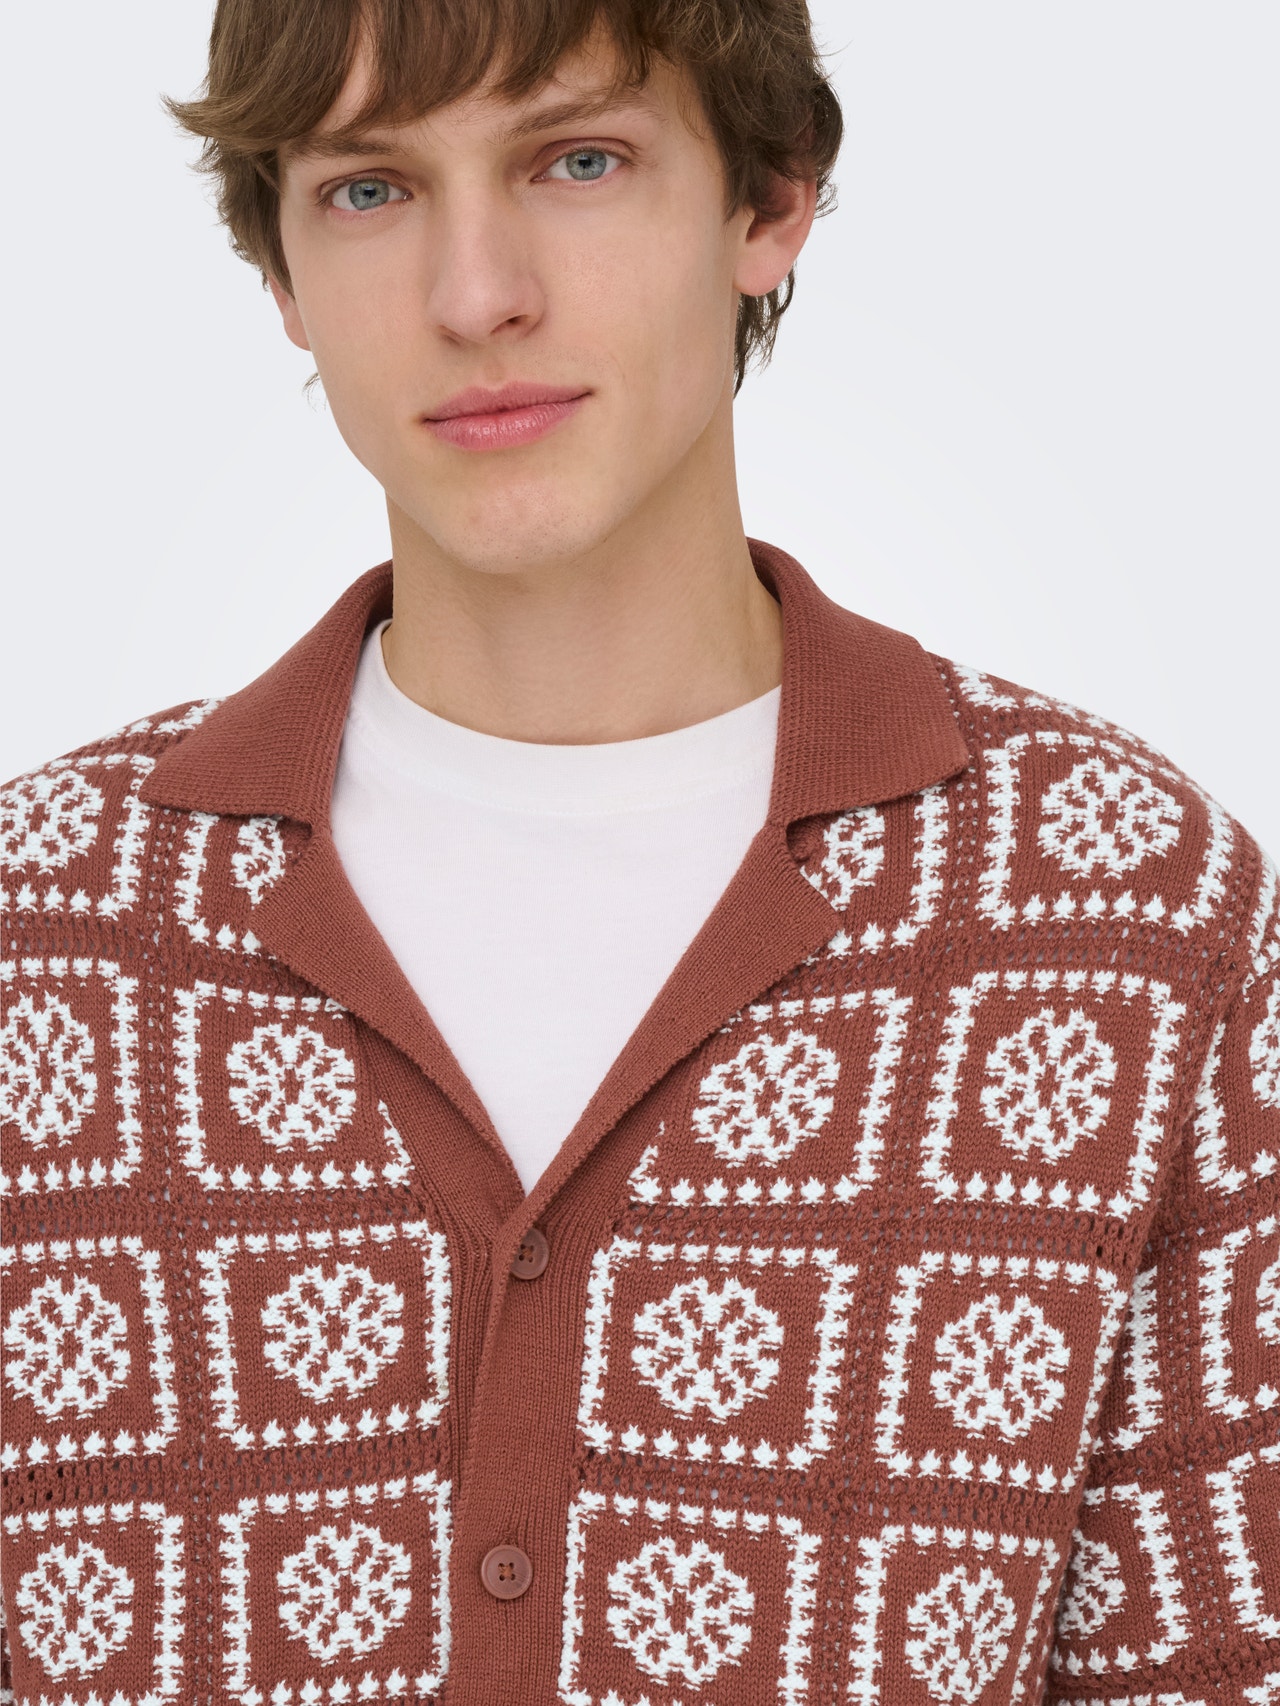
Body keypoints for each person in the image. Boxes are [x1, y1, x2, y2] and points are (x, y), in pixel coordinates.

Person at [1, 2, 1277, 1702]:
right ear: (280, 269)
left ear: (771, 198)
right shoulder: (47, 935)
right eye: (370, 190)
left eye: (578, 161)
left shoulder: (1124, 913)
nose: (475, 296)